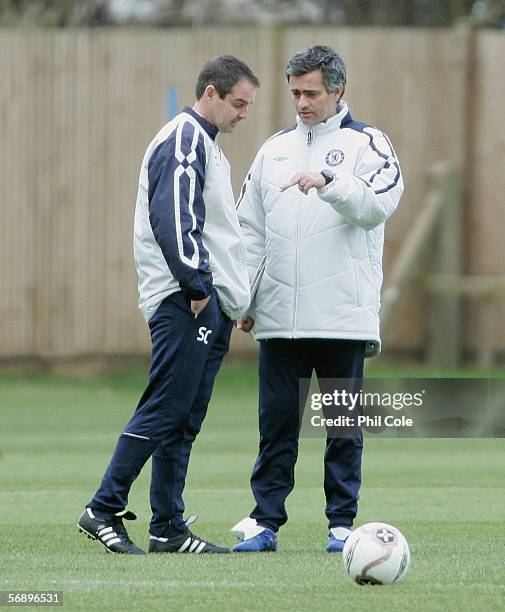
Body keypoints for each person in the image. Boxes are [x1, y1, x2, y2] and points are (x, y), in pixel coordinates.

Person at [77, 55, 259, 554]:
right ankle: (103, 507)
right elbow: (173, 216)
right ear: (211, 94)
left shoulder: (209, 147)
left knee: (185, 416)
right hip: (186, 299)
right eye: (239, 103)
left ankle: (167, 527)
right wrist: (197, 286)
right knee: (165, 407)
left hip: (209, 302)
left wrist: (228, 296)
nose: (245, 114)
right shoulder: (183, 138)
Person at [231, 45, 403, 553]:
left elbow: (378, 204)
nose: (302, 103)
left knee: (343, 428)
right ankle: (265, 522)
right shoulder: (273, 149)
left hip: (343, 316)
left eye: (311, 92)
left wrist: (329, 181)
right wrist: (246, 296)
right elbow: (249, 229)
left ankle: (341, 525)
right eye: (295, 93)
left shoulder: (368, 144)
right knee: (276, 426)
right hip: (280, 317)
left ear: (337, 90)